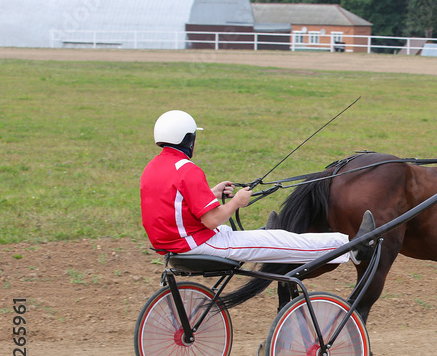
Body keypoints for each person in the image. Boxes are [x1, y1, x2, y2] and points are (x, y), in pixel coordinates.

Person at [140, 110, 374, 264]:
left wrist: (211, 194)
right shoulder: (187, 169)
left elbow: (173, 203)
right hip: (196, 243)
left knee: (244, 234)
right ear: (188, 139)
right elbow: (211, 221)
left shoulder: (153, 167)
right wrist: (235, 202)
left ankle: (263, 235)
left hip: (173, 242)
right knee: (282, 241)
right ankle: (350, 246)